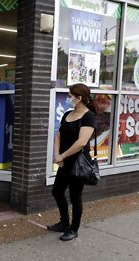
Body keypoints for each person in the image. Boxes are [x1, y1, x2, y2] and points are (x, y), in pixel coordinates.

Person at [47, 83, 98, 241]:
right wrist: (57, 154)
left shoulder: (89, 116)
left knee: (75, 196)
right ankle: (64, 223)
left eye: (70, 96)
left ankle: (73, 229)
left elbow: (81, 142)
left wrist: (63, 156)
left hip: (79, 163)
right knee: (57, 191)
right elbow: (58, 135)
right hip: (64, 161)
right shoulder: (68, 113)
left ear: (79, 98)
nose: (68, 99)